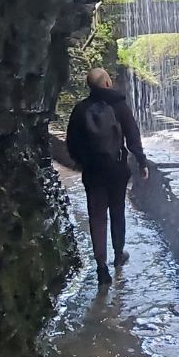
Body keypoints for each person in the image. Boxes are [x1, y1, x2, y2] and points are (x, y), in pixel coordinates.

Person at [66, 67, 150, 283]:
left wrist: (83, 162)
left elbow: (71, 144)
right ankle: (119, 254)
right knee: (117, 212)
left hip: (93, 172)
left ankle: (101, 266)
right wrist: (142, 162)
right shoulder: (119, 106)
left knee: (97, 217)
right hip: (117, 170)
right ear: (106, 83)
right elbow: (133, 137)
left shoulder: (80, 109)